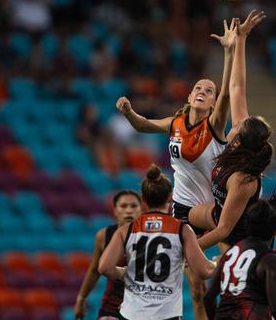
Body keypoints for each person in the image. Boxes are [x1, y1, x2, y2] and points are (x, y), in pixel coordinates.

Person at [114, 18, 236, 320]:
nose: (203, 91)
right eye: (198, 87)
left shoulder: (215, 124)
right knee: (196, 288)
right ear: (189, 95)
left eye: (208, 91)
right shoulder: (176, 123)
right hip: (182, 209)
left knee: (232, 274)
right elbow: (144, 125)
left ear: (211, 103)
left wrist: (230, 53)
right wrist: (129, 112)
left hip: (214, 207)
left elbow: (227, 95)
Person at [188, 10, 276, 250]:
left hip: (239, 236)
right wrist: (241, 39)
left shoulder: (242, 180)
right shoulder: (241, 134)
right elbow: (236, 87)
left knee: (211, 274)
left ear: (238, 142)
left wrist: (185, 255)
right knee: (181, 213)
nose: (237, 122)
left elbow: (223, 231)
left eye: (240, 126)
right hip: (218, 212)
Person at [98, 164, 215, 320]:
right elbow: (204, 271)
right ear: (170, 197)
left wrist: (123, 272)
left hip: (132, 314)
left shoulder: (126, 230)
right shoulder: (182, 229)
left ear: (143, 200)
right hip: (166, 314)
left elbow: (104, 267)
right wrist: (217, 263)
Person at [204, 201, 276, 320]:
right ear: (275, 230)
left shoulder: (229, 254)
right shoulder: (271, 260)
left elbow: (208, 297)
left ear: (247, 226)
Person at [73, 190, 143, 319]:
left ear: (141, 210)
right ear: (115, 211)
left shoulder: (151, 237)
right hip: (112, 304)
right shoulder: (104, 236)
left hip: (142, 304)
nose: (129, 210)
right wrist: (81, 299)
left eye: (134, 206)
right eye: (123, 206)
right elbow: (94, 271)